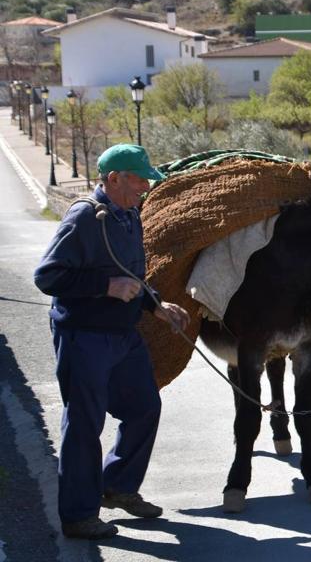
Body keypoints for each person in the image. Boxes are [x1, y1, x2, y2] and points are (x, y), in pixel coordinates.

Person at [34, 144, 190, 540]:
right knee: (85, 424)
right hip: (84, 336)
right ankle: (79, 516)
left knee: (144, 407)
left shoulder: (129, 215)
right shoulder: (85, 217)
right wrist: (105, 286)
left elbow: (130, 276)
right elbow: (48, 277)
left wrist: (157, 306)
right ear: (114, 178)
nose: (144, 187)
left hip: (123, 336)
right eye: (138, 179)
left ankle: (117, 487)